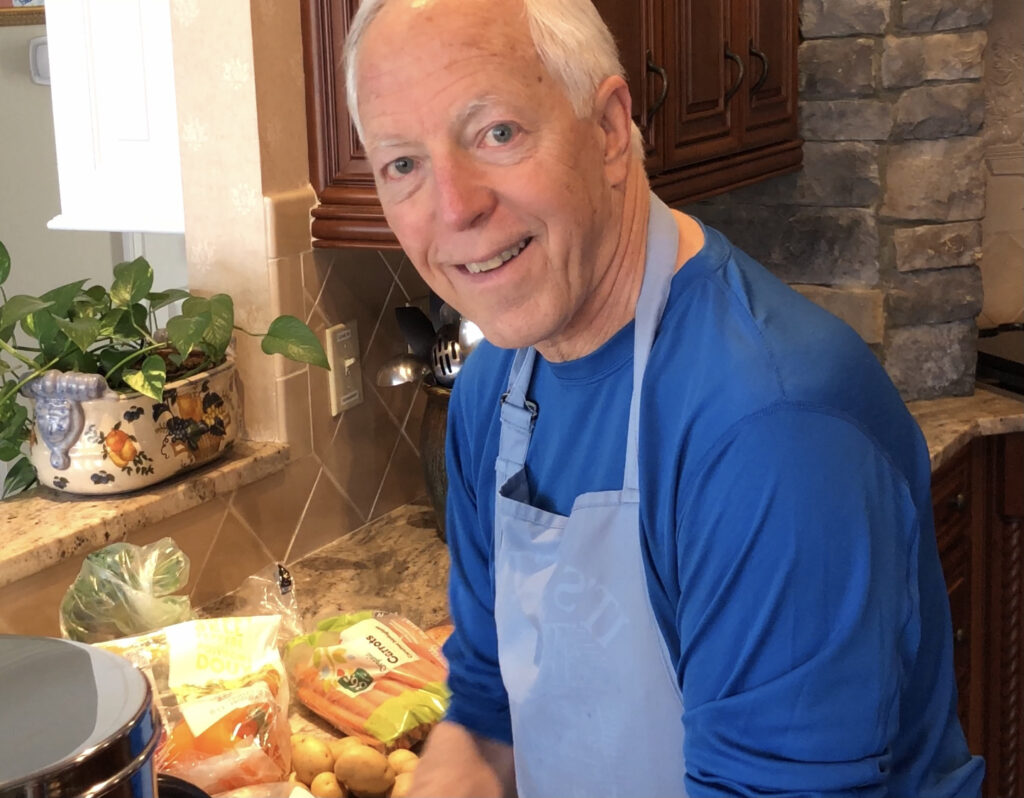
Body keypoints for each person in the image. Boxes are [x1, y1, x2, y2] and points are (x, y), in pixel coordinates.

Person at [344, 0, 985, 795]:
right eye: (402, 164)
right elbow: (489, 709)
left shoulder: (772, 429)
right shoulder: (491, 390)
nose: (454, 207)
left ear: (610, 130)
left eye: (497, 133)